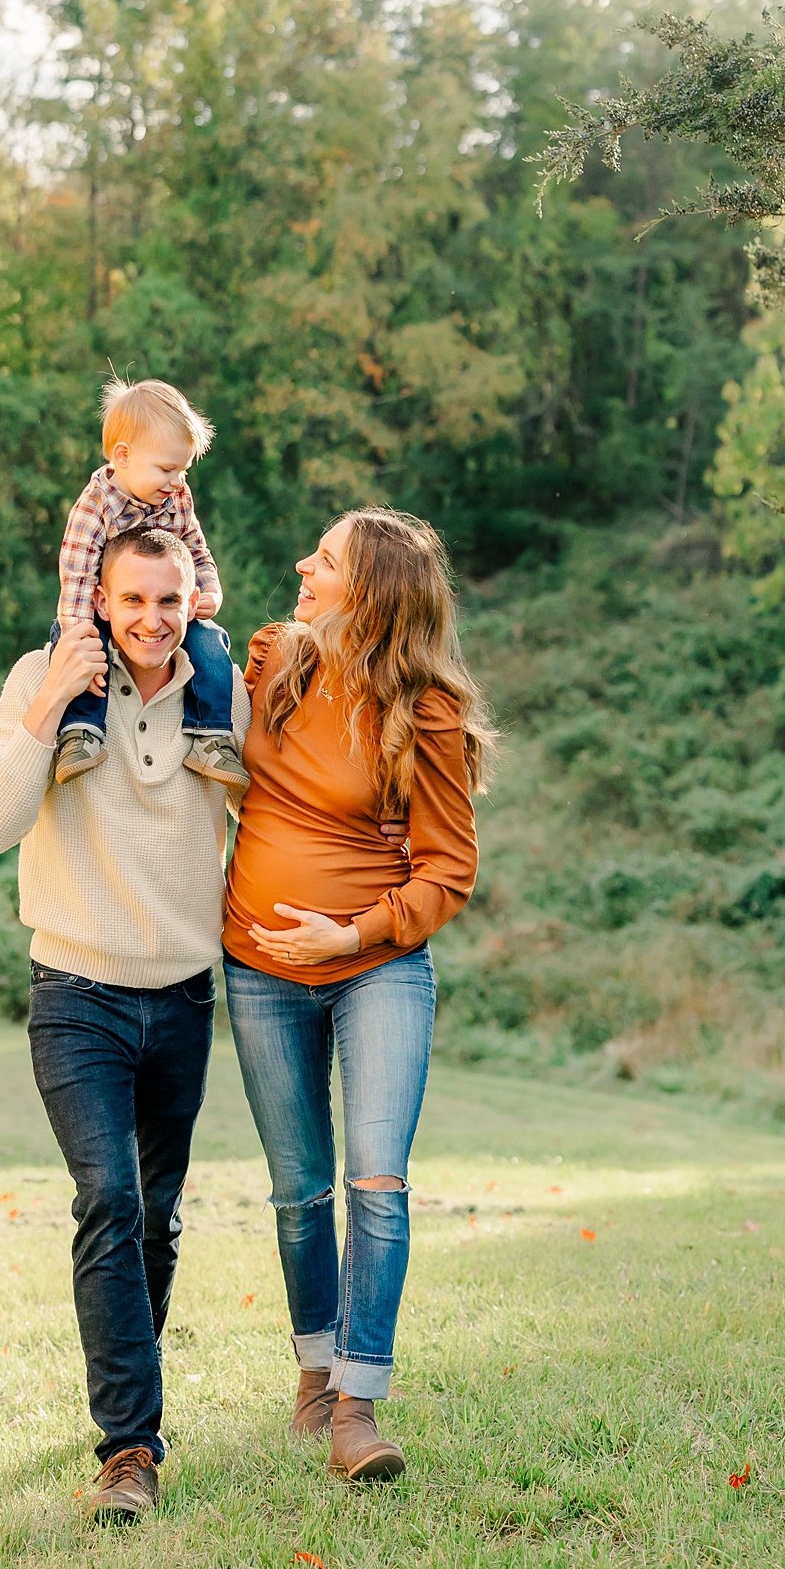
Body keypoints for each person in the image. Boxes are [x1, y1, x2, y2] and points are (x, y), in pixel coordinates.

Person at [0, 525, 250, 1524]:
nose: (151, 621)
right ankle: (130, 1448)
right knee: (109, 1201)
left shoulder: (220, 692)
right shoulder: (49, 678)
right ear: (99, 598)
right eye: (133, 601)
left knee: (154, 1217)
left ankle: (131, 1385)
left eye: (169, 602)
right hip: (75, 992)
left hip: (181, 998)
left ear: (191, 601)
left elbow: (270, 812)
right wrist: (43, 708)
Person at [222, 508, 492, 1485]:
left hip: (378, 967)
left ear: (371, 592)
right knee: (300, 1190)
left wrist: (356, 932)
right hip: (258, 969)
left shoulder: (424, 710)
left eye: (325, 559)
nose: (302, 564)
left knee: (377, 1179)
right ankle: (314, 1369)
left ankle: (357, 1408)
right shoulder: (277, 662)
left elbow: (446, 874)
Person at [49, 375, 246, 797]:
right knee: (79, 652)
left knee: (211, 642)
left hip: (165, 609)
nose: (177, 481)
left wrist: (210, 589)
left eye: (183, 470)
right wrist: (79, 630)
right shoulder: (96, 505)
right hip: (102, 612)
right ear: (123, 456)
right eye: (167, 469)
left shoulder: (176, 496)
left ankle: (210, 736)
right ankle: (80, 731)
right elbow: (78, 574)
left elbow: (196, 546)